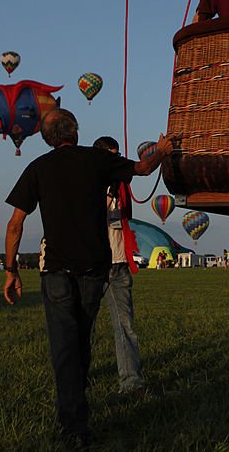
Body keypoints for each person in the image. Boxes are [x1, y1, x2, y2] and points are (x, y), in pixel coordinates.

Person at [2, 109, 171, 447]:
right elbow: (142, 168)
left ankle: (74, 423)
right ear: (75, 131)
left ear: (47, 138)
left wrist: (10, 270)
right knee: (80, 340)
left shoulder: (37, 168)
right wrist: (162, 150)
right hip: (95, 268)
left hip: (56, 271)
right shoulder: (97, 160)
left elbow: (15, 224)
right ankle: (76, 413)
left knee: (66, 346)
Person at [93, 136, 146, 395]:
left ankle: (131, 382)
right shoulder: (87, 184)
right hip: (92, 263)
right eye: (110, 156)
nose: (115, 161)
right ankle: (78, 377)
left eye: (118, 156)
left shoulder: (122, 186)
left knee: (125, 326)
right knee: (84, 327)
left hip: (119, 262)